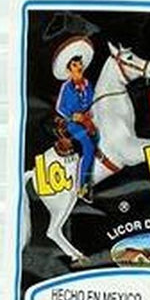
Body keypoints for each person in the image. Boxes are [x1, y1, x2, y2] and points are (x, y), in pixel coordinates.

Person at [52, 36, 98, 203]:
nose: (78, 67)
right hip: (73, 124)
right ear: (69, 69)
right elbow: (60, 107)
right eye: (74, 65)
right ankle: (83, 186)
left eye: (79, 64)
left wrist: (90, 114)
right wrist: (73, 116)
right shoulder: (67, 87)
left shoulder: (88, 84)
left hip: (87, 120)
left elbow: (93, 102)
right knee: (88, 146)